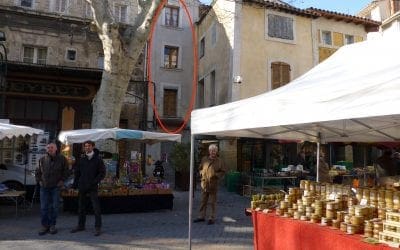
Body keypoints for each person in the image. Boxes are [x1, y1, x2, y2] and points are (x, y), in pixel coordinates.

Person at [70, 140, 106, 236]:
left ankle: (98, 227)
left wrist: (94, 182)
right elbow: (77, 173)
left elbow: (102, 173)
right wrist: (74, 185)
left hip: (93, 186)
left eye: (89, 146)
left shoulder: (98, 159)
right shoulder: (82, 159)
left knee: (96, 208)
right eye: (85, 146)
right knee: (81, 207)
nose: (87, 148)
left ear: (93, 147)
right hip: (82, 186)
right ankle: (81, 225)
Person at [35, 142, 70, 235]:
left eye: (51, 147)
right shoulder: (42, 159)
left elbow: (66, 171)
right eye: (48, 148)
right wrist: (39, 181)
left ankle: (52, 225)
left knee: (54, 207)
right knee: (44, 207)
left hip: (56, 187)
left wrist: (62, 181)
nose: (49, 149)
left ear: (56, 149)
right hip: (44, 187)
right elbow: (37, 172)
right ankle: (44, 226)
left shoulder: (62, 159)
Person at [193, 144, 226, 225]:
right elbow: (200, 168)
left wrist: (216, 175)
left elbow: (223, 171)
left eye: (214, 150)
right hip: (204, 183)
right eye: (211, 150)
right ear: (209, 151)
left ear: (216, 151)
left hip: (213, 184)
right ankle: (201, 216)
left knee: (212, 202)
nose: (212, 152)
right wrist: (201, 174)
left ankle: (212, 217)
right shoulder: (204, 159)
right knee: (203, 201)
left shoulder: (219, 161)